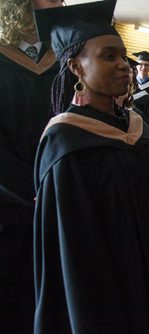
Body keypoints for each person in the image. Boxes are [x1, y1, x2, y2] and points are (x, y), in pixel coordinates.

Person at [32, 1, 149, 332]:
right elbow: (73, 257)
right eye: (109, 57)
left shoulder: (139, 128)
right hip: (108, 299)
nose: (125, 66)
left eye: (123, 56)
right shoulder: (67, 143)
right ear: (76, 67)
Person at [0, 0, 63, 332]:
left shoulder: (69, 59)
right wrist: (33, 191)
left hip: (65, 200)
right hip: (12, 206)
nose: (60, 3)